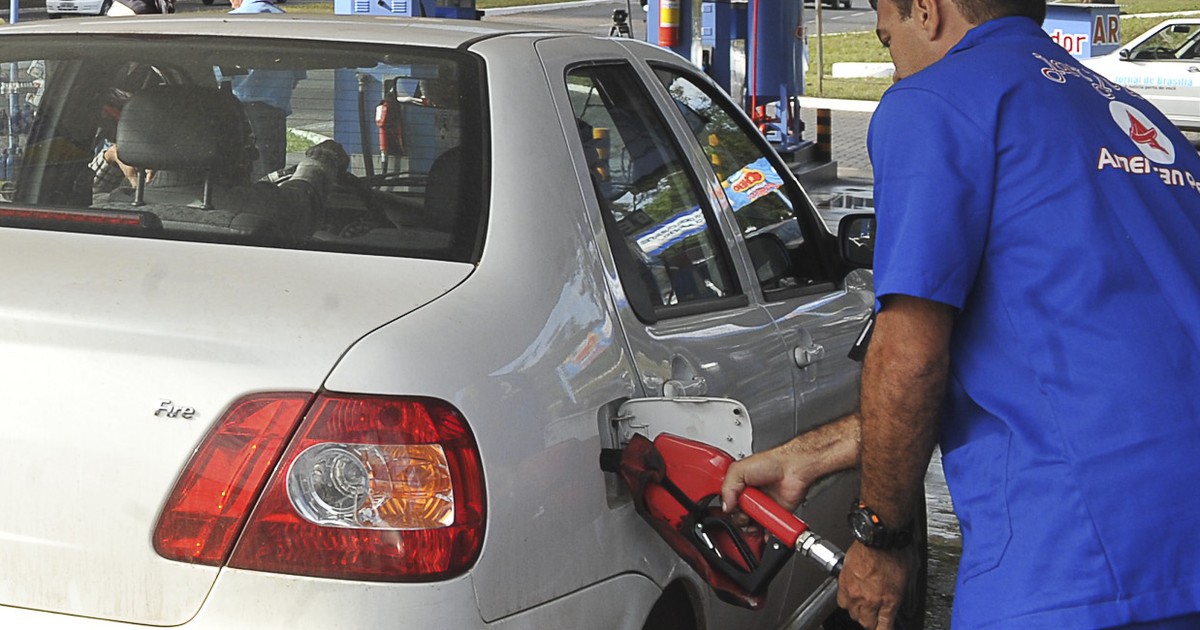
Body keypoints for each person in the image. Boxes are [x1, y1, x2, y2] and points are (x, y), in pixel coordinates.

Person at [720, 0, 1200, 628]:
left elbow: (912, 357)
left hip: (1079, 554)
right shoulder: (1131, 117)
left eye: (886, 41)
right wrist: (813, 453)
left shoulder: (936, 102)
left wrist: (879, 537)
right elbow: (1091, 361)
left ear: (926, 11)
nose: (895, 72)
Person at [222, 0, 305, 181]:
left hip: (232, 114)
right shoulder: (290, 23)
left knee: (231, 177)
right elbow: (296, 75)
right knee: (269, 179)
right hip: (271, 116)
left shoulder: (228, 23)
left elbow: (216, 74)